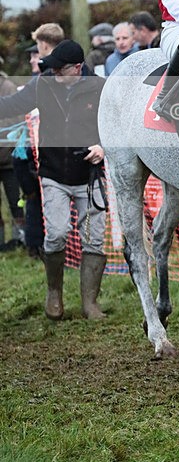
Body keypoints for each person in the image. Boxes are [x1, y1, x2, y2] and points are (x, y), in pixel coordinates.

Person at [0, 40, 107, 320]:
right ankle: (54, 294)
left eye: (61, 68)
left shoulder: (100, 88)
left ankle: (90, 303)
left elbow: (114, 124)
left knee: (94, 240)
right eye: (53, 67)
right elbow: (11, 105)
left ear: (78, 68)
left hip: (90, 177)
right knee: (57, 233)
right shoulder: (43, 84)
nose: (55, 72)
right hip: (53, 175)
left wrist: (103, 146)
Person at [11, 44, 45, 258]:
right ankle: (34, 245)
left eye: (36, 56)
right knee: (32, 196)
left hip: (43, 147)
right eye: (31, 56)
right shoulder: (30, 84)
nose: (32, 60)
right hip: (26, 148)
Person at [0, 61, 24, 251]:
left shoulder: (8, 87)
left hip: (8, 158)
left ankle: (20, 238)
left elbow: (17, 122)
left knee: (15, 201)